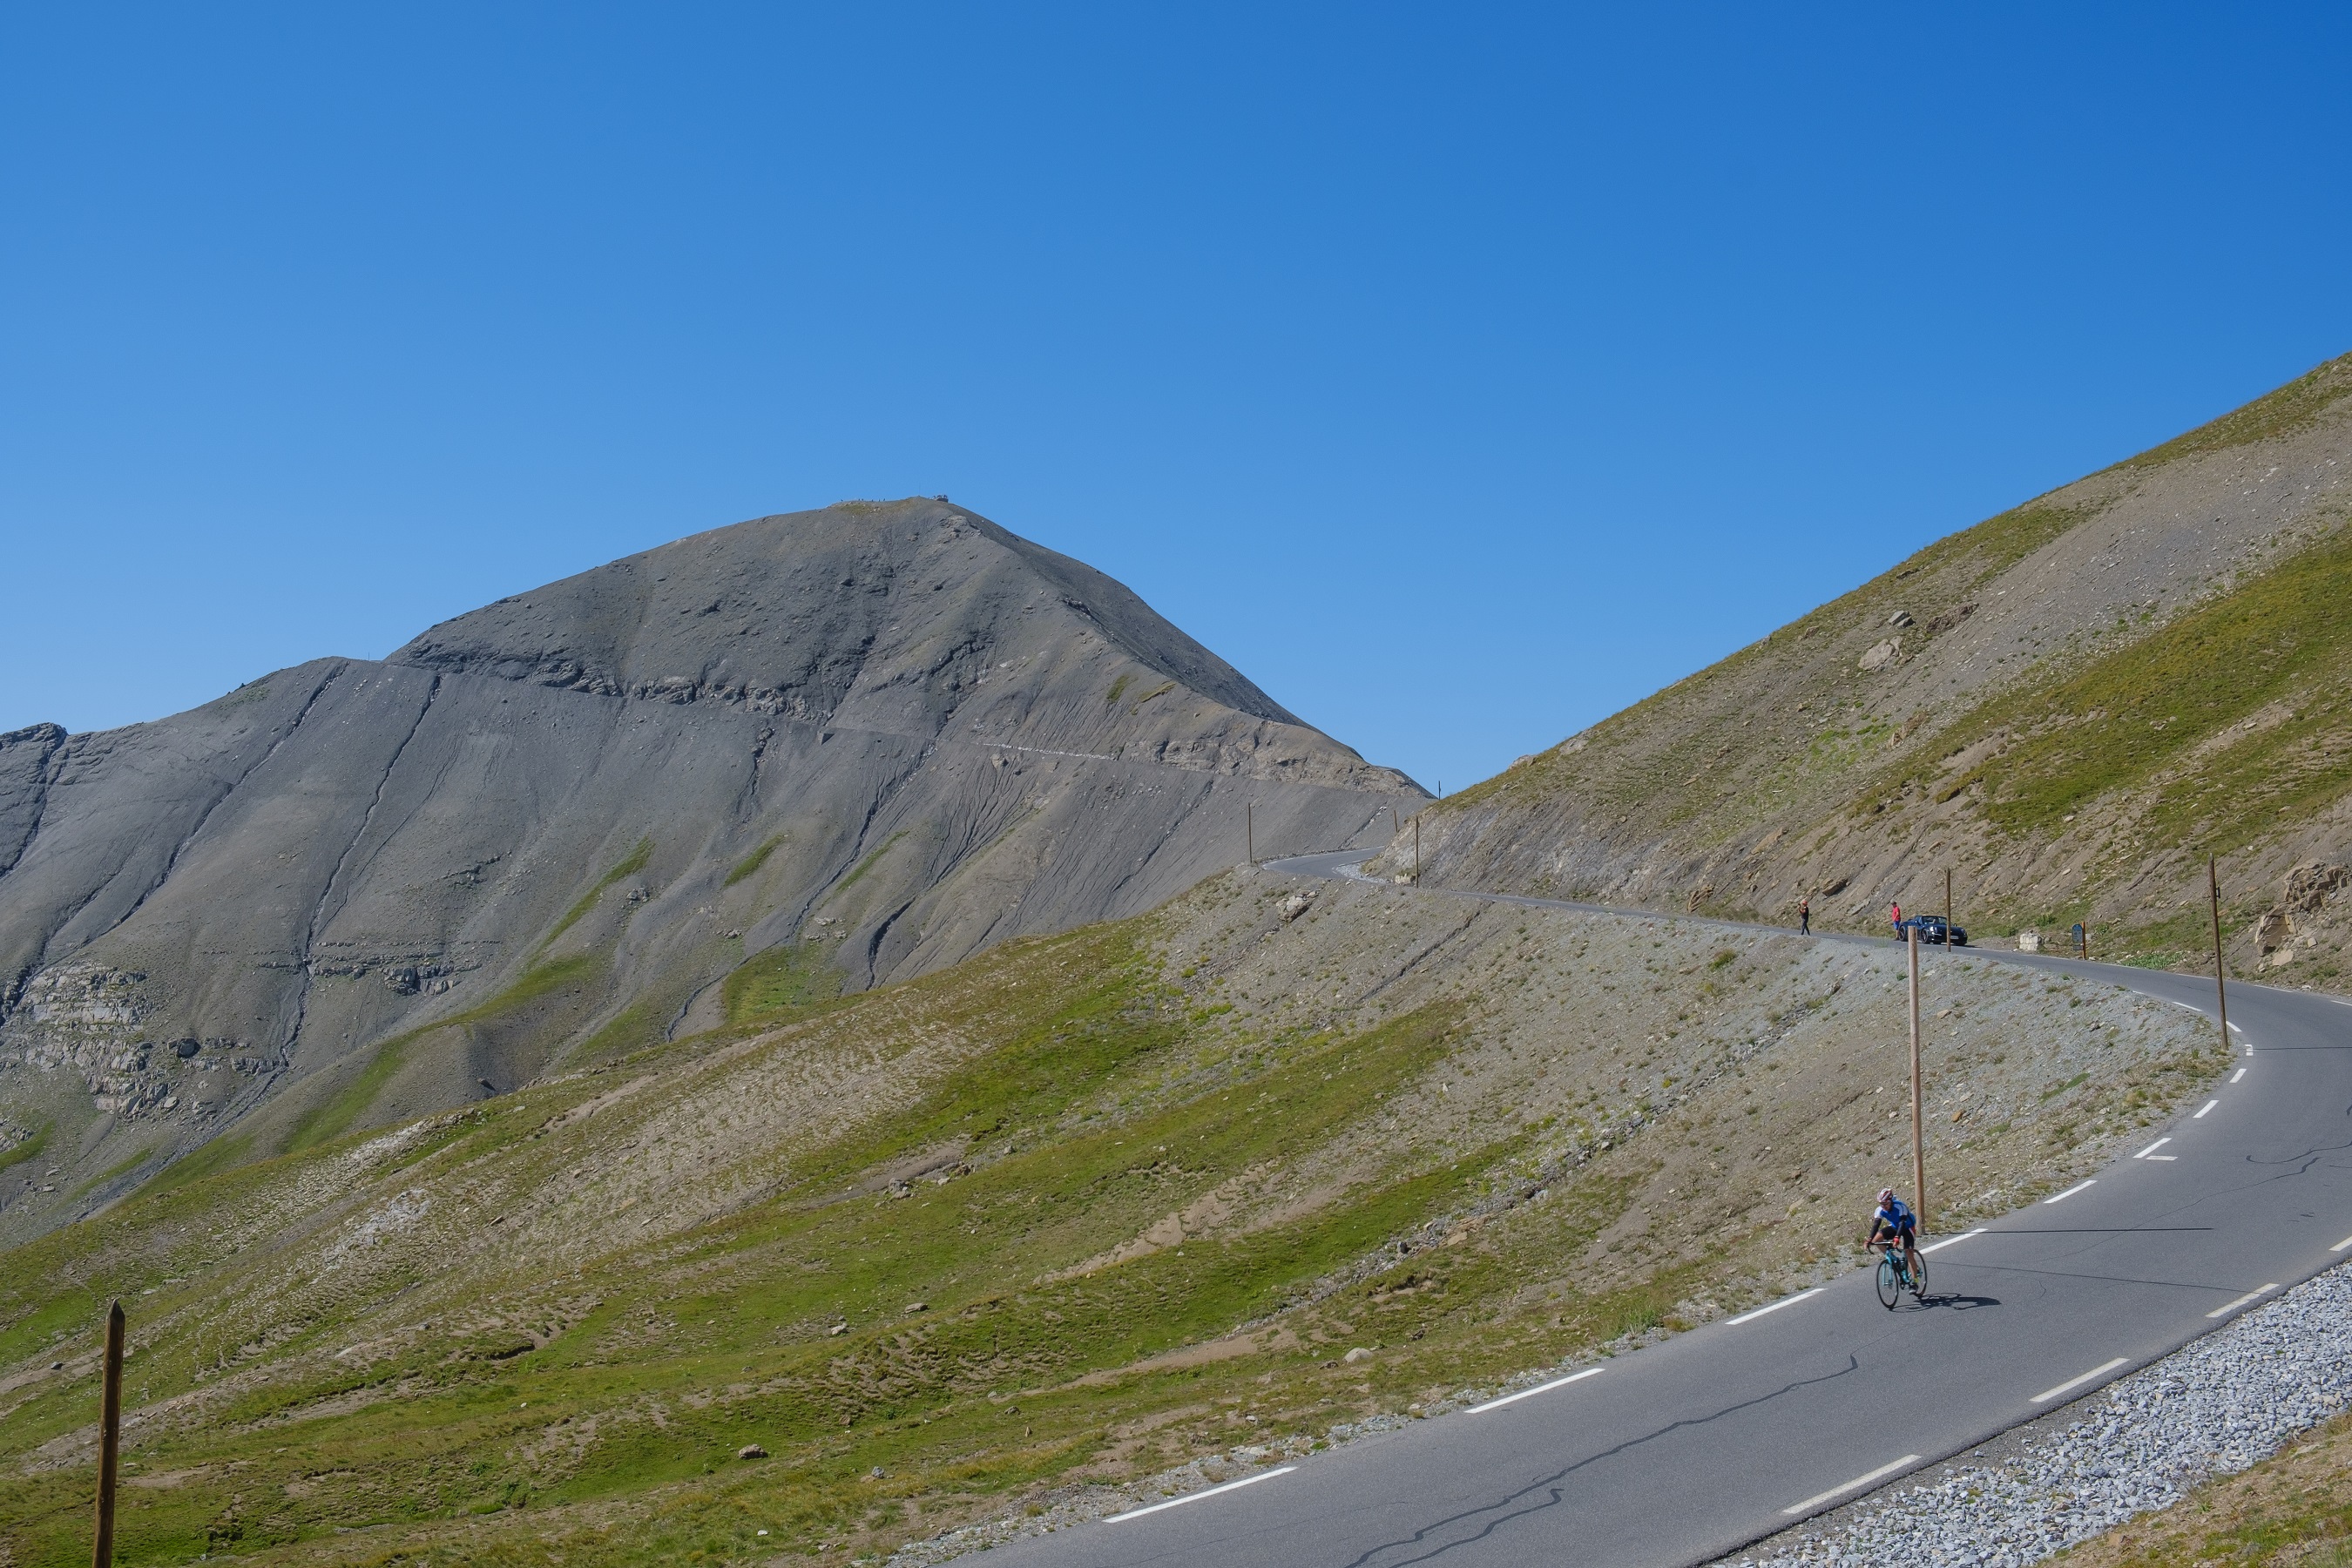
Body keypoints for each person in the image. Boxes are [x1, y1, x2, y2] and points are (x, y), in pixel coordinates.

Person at [1867, 1187, 1921, 1277]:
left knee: (1908, 1253)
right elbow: (1876, 1224)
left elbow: (1902, 1223)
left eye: (1885, 1204)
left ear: (1890, 1201)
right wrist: (1869, 1239)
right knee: (1876, 1240)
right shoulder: (1880, 1210)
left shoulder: (1900, 1206)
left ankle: (1915, 1281)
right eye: (1881, 1204)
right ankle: (1895, 1260)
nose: (1883, 1206)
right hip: (1895, 1226)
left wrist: (1897, 1237)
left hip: (1907, 1227)